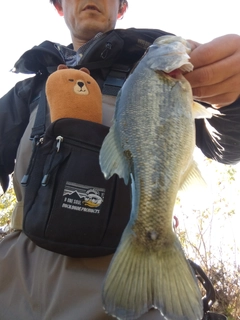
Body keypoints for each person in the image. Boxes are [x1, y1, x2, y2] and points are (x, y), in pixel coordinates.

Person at [0, 0, 240, 319]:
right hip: (16, 282)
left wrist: (232, 98)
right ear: (60, 7)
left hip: (136, 285)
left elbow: (227, 146)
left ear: (121, 8)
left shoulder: (165, 79)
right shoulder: (28, 91)